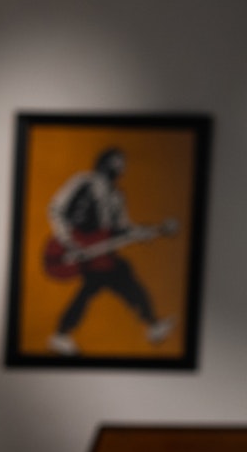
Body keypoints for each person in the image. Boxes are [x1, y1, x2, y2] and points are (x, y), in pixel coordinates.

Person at [44, 147, 176, 355]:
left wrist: (148, 231)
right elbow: (55, 208)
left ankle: (60, 336)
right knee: (113, 281)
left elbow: (122, 228)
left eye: (122, 163)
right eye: (118, 162)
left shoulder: (117, 196)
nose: (122, 167)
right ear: (105, 162)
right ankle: (152, 325)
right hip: (77, 245)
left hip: (100, 251)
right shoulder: (83, 182)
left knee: (104, 283)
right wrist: (68, 241)